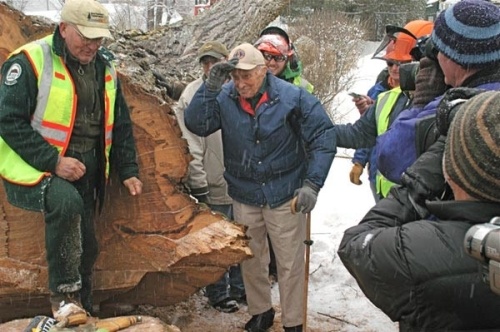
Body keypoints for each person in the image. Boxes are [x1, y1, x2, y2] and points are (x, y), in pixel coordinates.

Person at [0, 0, 142, 325]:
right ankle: (64, 299)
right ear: (63, 28)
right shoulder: (31, 60)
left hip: (85, 169)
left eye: (99, 38)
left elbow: (120, 124)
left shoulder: (105, 68)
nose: (93, 45)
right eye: (85, 37)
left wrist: (129, 170)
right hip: (32, 166)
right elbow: (7, 121)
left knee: (88, 246)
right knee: (64, 204)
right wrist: (53, 161)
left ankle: (84, 313)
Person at [184, 43, 335, 332]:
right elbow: (197, 124)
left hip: (285, 192)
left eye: (247, 77)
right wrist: (210, 86)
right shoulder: (224, 96)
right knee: (251, 258)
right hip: (244, 192)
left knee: (290, 263)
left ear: (263, 70)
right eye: (235, 77)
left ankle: (293, 322)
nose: (240, 84)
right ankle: (261, 312)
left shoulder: (292, 97)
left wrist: (312, 184)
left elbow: (323, 136)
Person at [338, 90, 500, 331]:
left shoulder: (431, 251)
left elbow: (356, 246)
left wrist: (421, 180)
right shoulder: (383, 97)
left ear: (452, 170)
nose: (395, 68)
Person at [376, 0, 500, 186]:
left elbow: (391, 158)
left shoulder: (455, 107)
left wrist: (422, 102)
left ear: (453, 57)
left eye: (438, 51)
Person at [175, 41, 245, 313]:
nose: (209, 67)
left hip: (239, 180)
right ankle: (218, 293)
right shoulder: (192, 96)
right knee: (216, 241)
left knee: (242, 237)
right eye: (205, 62)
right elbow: (190, 143)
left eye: (214, 61)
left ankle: (241, 288)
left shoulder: (236, 89)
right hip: (213, 181)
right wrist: (199, 181)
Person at [334, 20, 437, 199]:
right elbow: (362, 133)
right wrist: (316, 128)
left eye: (403, 63)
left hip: (418, 198)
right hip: (383, 187)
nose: (397, 69)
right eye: (391, 63)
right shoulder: (383, 96)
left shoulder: (441, 106)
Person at [255, 25, 314, 284]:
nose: (270, 62)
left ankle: (284, 271)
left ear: (287, 56)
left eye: (276, 57)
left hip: (291, 166)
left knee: (288, 227)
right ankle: (267, 270)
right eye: (265, 56)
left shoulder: (301, 87)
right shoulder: (251, 80)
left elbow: (314, 130)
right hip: (259, 166)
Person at [254, 26, 314, 93]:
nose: (272, 63)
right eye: (267, 56)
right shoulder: (247, 81)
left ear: (288, 59)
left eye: (279, 58)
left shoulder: (303, 87)